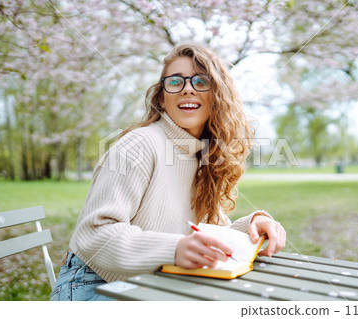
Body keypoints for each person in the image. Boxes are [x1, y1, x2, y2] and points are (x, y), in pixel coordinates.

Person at [50, 44, 286, 301]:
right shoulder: (139, 144)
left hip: (153, 285)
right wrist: (174, 249)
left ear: (218, 95)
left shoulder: (202, 155)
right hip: (94, 285)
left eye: (200, 81)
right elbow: (95, 234)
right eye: (175, 81)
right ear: (162, 97)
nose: (187, 88)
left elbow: (206, 233)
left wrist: (252, 226)